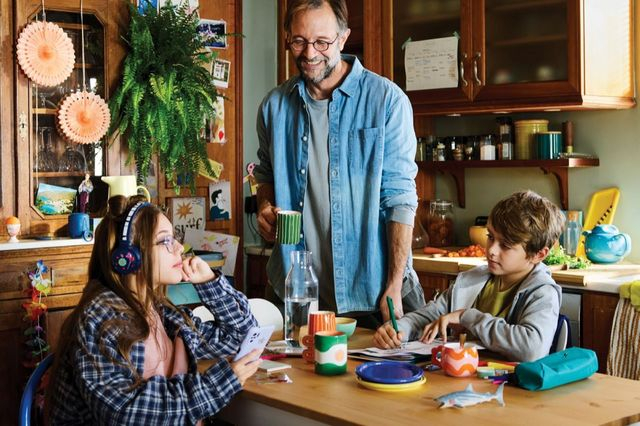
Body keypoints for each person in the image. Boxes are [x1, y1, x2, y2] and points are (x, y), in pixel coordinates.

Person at [254, 0, 424, 328]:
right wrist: (264, 205)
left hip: (377, 294)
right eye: (299, 41)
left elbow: (399, 199)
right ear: (288, 37)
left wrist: (393, 283)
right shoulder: (274, 107)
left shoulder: (386, 101)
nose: (309, 52)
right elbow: (266, 173)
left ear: (343, 39)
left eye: (322, 42)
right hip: (297, 293)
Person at [48, 195, 261, 424]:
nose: (180, 248)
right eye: (165, 241)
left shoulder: (162, 314)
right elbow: (127, 414)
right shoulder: (101, 319)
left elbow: (242, 336)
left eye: (175, 238)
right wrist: (218, 385)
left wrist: (209, 282)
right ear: (129, 258)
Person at [374, 190, 566, 362]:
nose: (491, 250)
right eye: (490, 237)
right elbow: (428, 316)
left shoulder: (543, 292)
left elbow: (531, 349)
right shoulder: (471, 280)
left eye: (506, 245)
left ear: (539, 254)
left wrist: (467, 316)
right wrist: (400, 328)